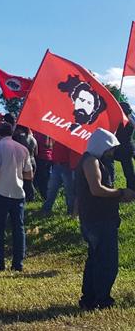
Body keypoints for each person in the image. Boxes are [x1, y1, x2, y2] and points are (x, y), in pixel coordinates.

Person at [76, 128, 135, 310]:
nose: (112, 153)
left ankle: (89, 298)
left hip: (94, 217)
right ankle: (101, 299)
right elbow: (96, 189)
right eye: (111, 149)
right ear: (103, 146)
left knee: (95, 259)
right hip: (99, 219)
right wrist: (120, 193)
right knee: (107, 262)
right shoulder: (91, 161)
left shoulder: (90, 160)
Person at [0, 122, 33, 272]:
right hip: (18, 192)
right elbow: (29, 174)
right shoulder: (23, 149)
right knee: (18, 229)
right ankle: (18, 263)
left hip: (0, 191)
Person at [42, 141, 75, 215]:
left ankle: (71, 211)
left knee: (69, 191)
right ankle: (47, 208)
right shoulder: (58, 136)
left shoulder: (70, 138)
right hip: (57, 165)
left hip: (67, 166)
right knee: (52, 188)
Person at [12, 124, 38, 202]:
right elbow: (36, 152)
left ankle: (27, 197)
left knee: (22, 181)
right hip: (32, 160)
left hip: (23, 161)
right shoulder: (33, 138)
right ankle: (31, 197)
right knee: (30, 181)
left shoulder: (19, 137)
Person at [114, 102, 135, 190]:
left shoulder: (121, 121)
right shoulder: (131, 120)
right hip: (129, 147)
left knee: (129, 173)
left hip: (121, 149)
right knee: (129, 171)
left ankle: (132, 190)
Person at [33, 131, 53, 200]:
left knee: (38, 178)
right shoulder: (50, 133)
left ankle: (34, 196)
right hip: (49, 158)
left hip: (41, 157)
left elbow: (36, 147)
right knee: (46, 180)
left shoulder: (38, 133)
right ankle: (45, 197)